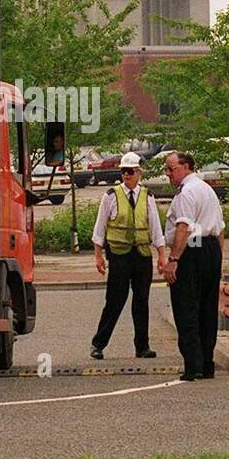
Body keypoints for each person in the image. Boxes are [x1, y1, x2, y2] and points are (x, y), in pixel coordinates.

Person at [90, 152, 166, 359]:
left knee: (141, 301)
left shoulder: (148, 196)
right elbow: (100, 227)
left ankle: (142, 346)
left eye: (130, 171)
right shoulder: (111, 195)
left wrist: (161, 255)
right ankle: (98, 344)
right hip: (119, 254)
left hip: (141, 254)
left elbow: (155, 228)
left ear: (139, 173)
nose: (126, 175)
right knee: (115, 300)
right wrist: (98, 256)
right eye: (123, 171)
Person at [161, 151, 225, 381]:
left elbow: (184, 228)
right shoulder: (207, 189)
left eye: (171, 168)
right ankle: (207, 363)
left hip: (192, 251)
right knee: (207, 309)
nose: (168, 174)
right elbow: (220, 228)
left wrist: (174, 259)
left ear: (186, 167)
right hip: (209, 248)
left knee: (186, 308)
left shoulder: (187, 192)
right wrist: (217, 259)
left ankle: (193, 365)